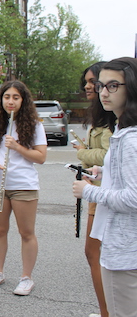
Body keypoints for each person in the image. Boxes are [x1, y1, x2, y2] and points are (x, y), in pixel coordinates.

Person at [73, 57, 137, 317]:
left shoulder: (130, 138)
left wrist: (89, 191)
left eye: (113, 86)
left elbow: (134, 197)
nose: (103, 92)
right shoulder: (123, 129)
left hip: (125, 250)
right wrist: (105, 171)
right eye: (101, 85)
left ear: (130, 87)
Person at [0, 80, 47, 296]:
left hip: (24, 186)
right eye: (7, 97)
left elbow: (41, 157)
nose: (10, 101)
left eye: (16, 97)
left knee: (26, 232)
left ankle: (26, 277)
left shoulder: (35, 125)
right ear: (1, 99)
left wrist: (17, 147)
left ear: (23, 100)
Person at [73, 62, 114, 317]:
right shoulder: (101, 115)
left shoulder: (114, 118)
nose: (88, 86)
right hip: (96, 191)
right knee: (95, 255)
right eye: (86, 82)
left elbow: (110, 155)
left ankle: (108, 312)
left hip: (103, 195)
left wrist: (84, 153)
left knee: (95, 254)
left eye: (93, 82)